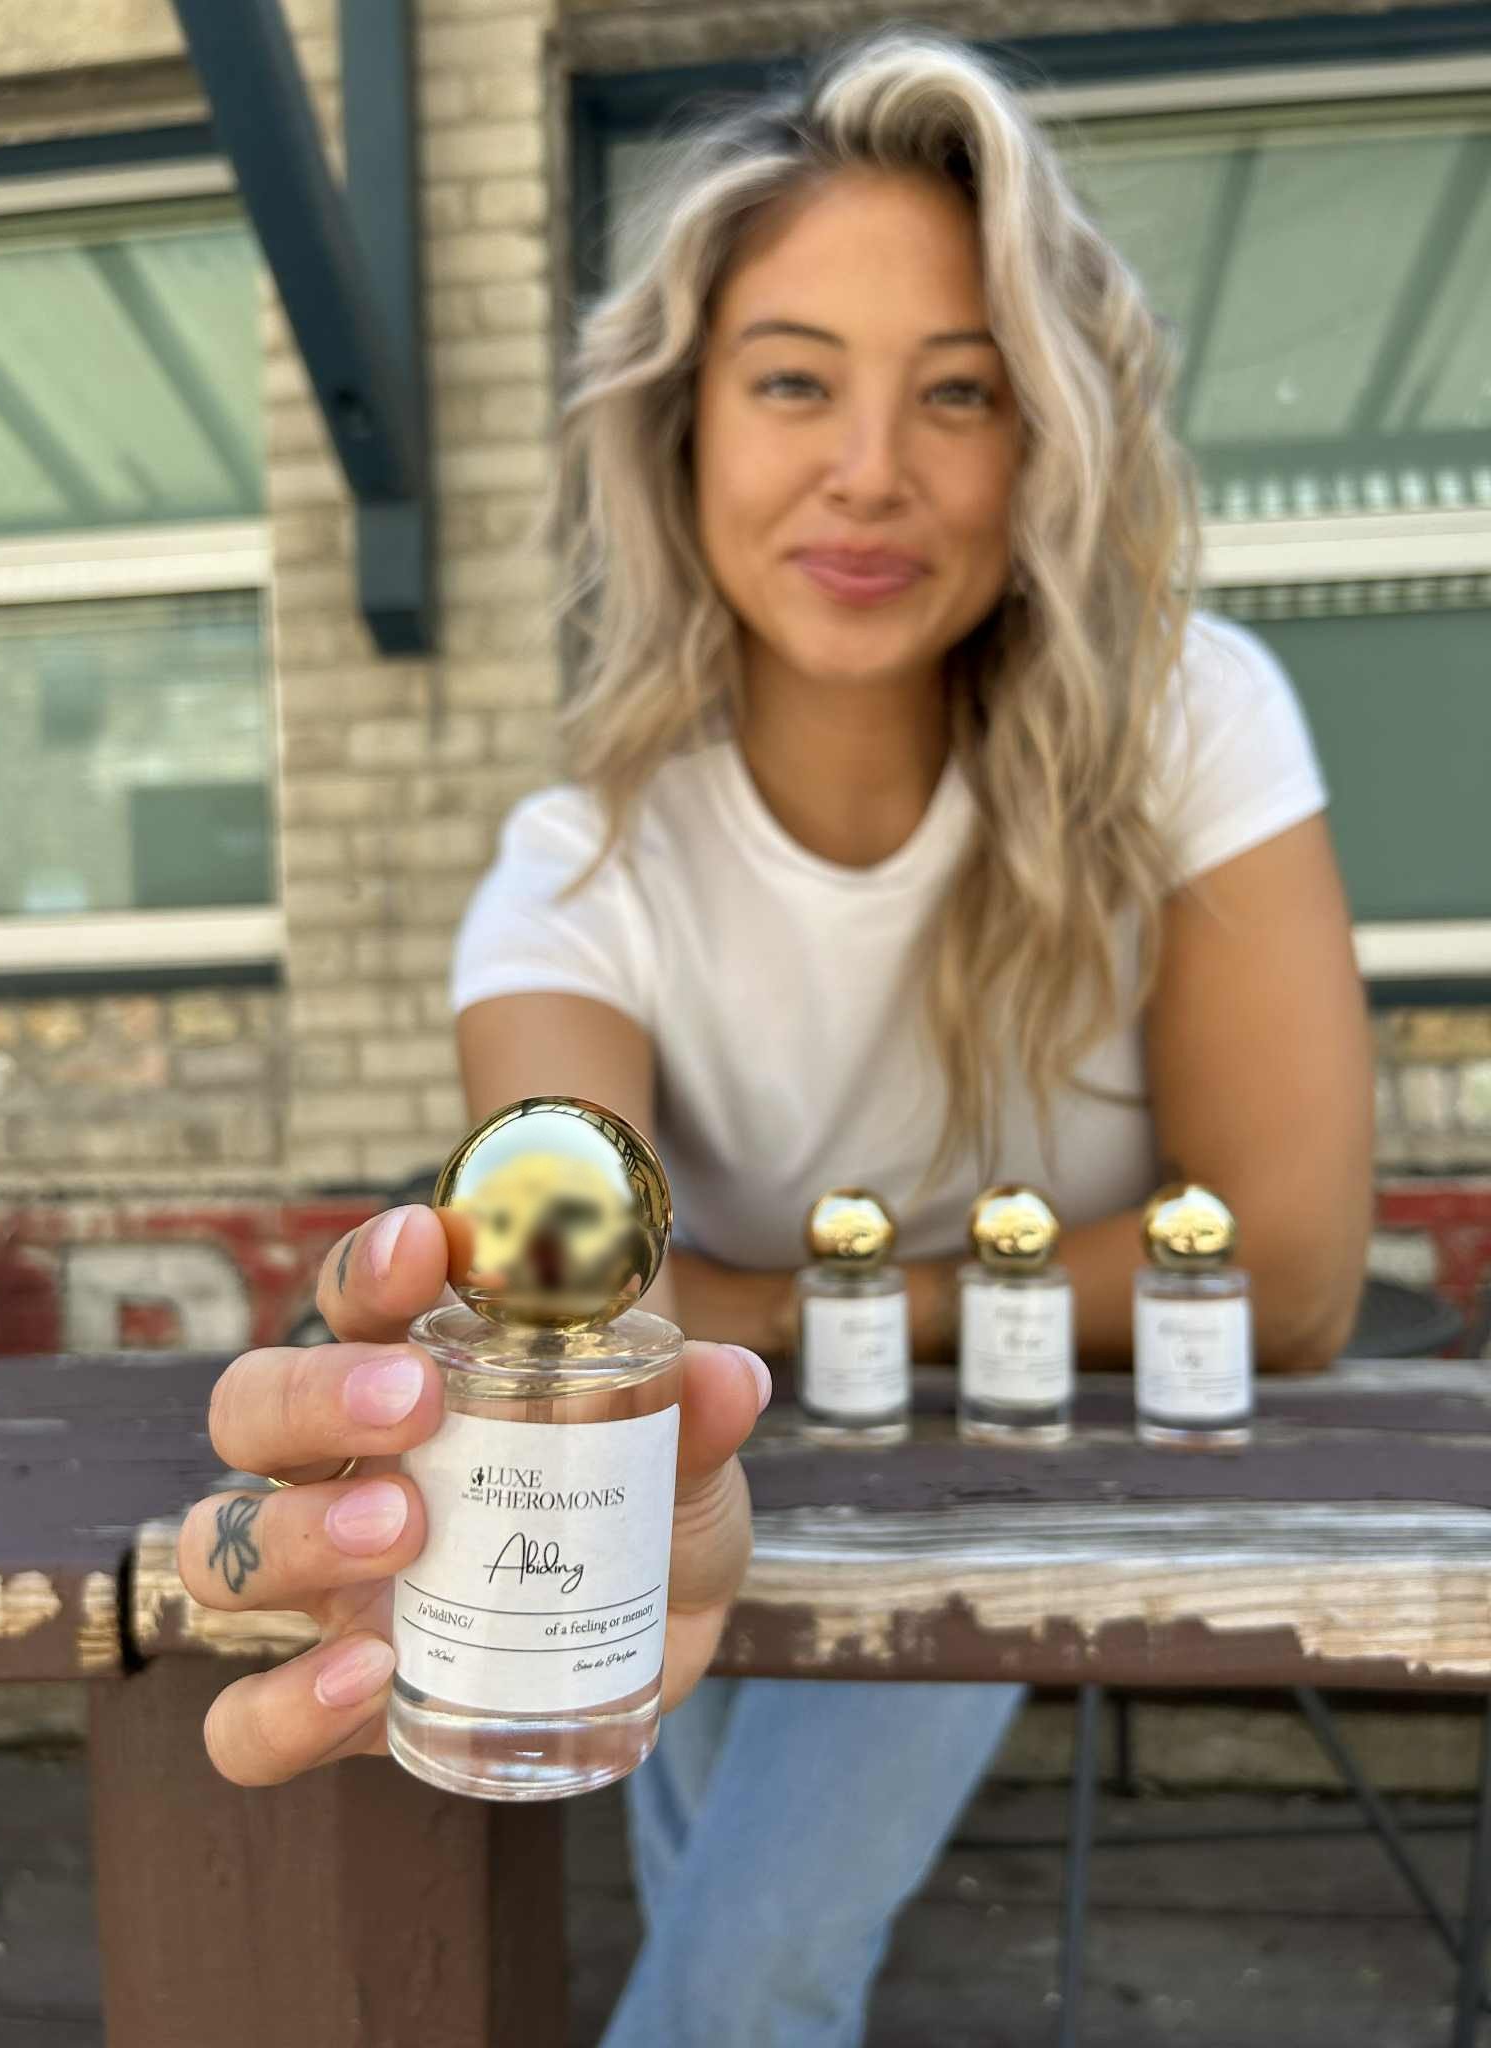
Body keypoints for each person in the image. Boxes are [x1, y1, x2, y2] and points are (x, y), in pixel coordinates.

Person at [185, 26, 1374, 2043]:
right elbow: (585, 1326)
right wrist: (988, 1285)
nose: (871, 469)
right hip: (719, 1466)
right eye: (796, 379)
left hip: (1022, 1465)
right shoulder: (573, 873)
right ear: (681, 426)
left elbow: (1293, 1272)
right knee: (737, 1957)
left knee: (748, 1974)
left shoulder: (1196, 721)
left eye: (961, 390)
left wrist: (800, 1303)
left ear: (1052, 438)